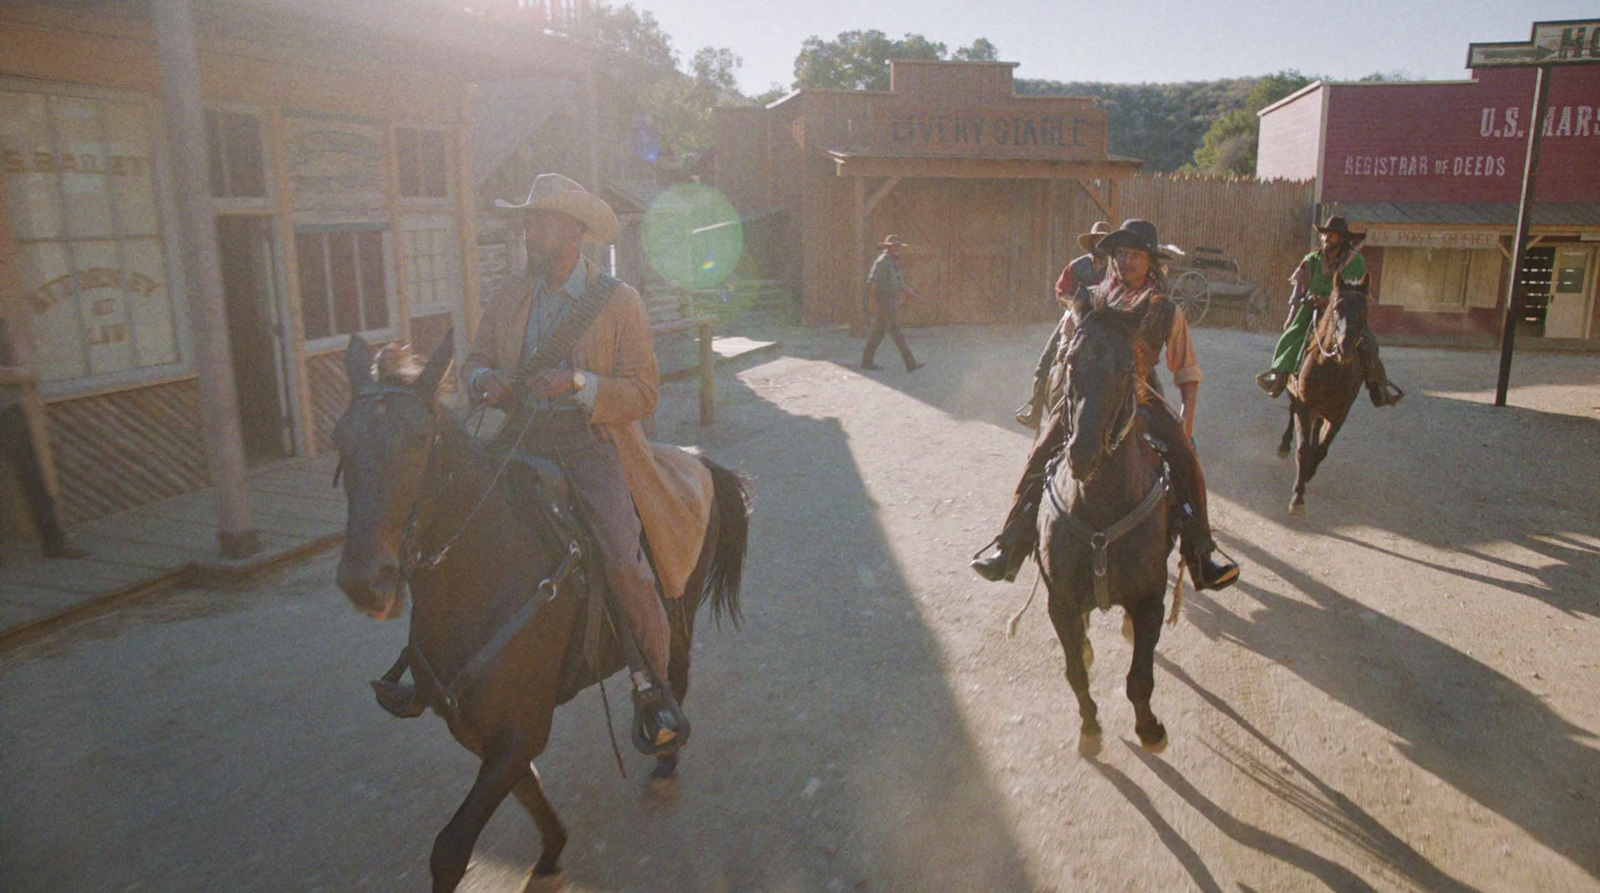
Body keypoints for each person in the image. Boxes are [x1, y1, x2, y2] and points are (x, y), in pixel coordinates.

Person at [460, 173, 705, 752]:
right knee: (455, 518)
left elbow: (644, 393)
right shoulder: (511, 294)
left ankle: (654, 689)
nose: (530, 230)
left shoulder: (619, 302)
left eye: (541, 221)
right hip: (519, 435)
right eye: (528, 220)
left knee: (623, 558)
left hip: (589, 444)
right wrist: (483, 378)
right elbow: (474, 357)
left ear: (573, 231)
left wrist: (576, 381)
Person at [971, 219, 1239, 591]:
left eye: (1136, 254)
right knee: (1040, 453)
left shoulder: (1166, 311)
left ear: (1151, 261)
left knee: (1185, 458)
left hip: (1143, 396)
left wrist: (1186, 423)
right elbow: (1067, 348)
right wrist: (1070, 386)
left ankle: (1201, 554)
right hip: (1089, 395)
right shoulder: (1089, 299)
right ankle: (1011, 543)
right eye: (1121, 253)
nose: (1127, 261)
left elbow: (1188, 373)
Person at [1255, 215, 1403, 407]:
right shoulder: (1312, 259)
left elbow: (1352, 291)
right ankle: (1279, 377)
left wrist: (1327, 301)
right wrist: (1291, 316)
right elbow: (1298, 289)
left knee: (1368, 343)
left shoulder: (1354, 261)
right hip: (1313, 309)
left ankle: (1379, 388)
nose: (1326, 239)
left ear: (1342, 239)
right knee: (1292, 337)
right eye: (1325, 235)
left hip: (1344, 310)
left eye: (1332, 236)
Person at [0, 314, 87, 568]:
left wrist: (9, 374)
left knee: (31, 475)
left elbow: (30, 370)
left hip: (8, 410)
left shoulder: (5, 323)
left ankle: (55, 543)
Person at [1015, 221, 1112, 429]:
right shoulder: (1076, 266)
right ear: (1092, 242)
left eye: (1105, 240)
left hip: (1105, 320)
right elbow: (1061, 291)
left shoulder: (1117, 269)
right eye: (1097, 239)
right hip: (1075, 316)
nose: (1100, 243)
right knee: (1047, 358)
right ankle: (1035, 410)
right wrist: (1074, 303)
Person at [861, 234, 924, 372]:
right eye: (895, 246)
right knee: (896, 332)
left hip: (888, 300)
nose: (897, 249)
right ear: (888, 247)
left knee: (878, 333)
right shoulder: (883, 261)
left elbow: (900, 284)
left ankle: (866, 362)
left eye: (898, 246)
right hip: (884, 301)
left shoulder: (892, 262)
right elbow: (872, 284)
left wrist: (914, 296)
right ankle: (911, 364)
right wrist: (873, 304)